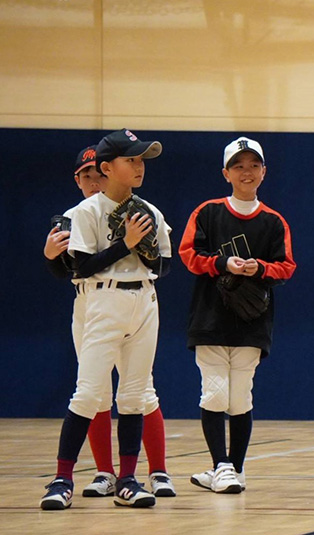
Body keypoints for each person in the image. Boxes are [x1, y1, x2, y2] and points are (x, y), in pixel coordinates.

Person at [40, 128, 172, 510]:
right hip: (102, 300)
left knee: (133, 395)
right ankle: (62, 478)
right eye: (130, 159)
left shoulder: (150, 211)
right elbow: (81, 268)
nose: (138, 166)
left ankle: (128, 479)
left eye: (141, 159)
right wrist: (126, 244)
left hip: (145, 301)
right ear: (106, 167)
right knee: (88, 393)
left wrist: (144, 252)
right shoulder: (84, 212)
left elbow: (163, 266)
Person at [180, 137, 296, 494]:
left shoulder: (274, 221)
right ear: (226, 172)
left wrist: (257, 268)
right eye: (239, 166)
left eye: (253, 165)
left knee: (240, 396)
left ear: (264, 171)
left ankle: (235, 469)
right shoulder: (208, 212)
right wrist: (221, 263)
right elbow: (188, 254)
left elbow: (286, 266)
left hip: (252, 321)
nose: (247, 172)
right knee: (214, 393)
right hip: (210, 319)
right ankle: (221, 466)